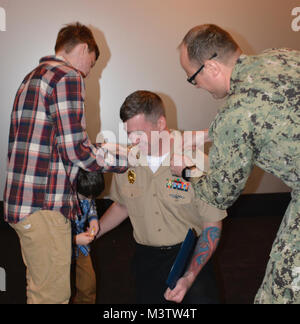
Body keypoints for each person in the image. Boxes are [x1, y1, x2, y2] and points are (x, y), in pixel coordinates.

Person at [172, 24, 300, 304]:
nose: (195, 86)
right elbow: (272, 115)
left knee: (281, 294)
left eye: (192, 78)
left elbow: (219, 193)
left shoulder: (235, 114)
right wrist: (211, 133)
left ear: (212, 68)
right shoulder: (281, 56)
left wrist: (185, 171)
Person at [3, 22, 127, 304]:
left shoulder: (31, 78)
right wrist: (126, 159)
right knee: (53, 297)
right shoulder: (68, 76)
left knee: (40, 290)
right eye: (92, 63)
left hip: (24, 204)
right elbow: (77, 152)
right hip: (43, 207)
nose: (88, 71)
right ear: (83, 49)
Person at [96, 90, 227, 304]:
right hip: (146, 261)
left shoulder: (195, 161)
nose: (133, 141)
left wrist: (190, 275)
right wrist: (94, 233)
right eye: (129, 133)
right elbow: (122, 206)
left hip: (190, 258)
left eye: (139, 133)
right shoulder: (127, 162)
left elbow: (212, 225)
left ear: (160, 124)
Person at [71, 168, 105, 304]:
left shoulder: (86, 191)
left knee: (88, 285)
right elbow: (52, 233)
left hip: (81, 248)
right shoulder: (62, 199)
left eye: (93, 197)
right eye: (86, 197)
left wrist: (93, 220)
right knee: (60, 289)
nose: (89, 200)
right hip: (60, 248)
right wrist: (74, 239)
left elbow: (91, 206)